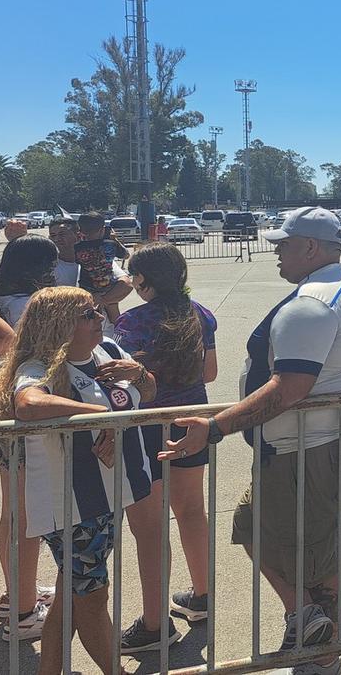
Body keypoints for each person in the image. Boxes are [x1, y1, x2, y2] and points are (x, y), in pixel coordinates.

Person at [160, 207, 341, 675]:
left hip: (312, 448)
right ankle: (306, 620)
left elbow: (289, 388)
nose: (275, 251)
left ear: (310, 247)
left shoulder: (312, 304)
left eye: (282, 244)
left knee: (318, 558)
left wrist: (214, 427)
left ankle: (321, 660)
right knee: (253, 524)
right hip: (314, 443)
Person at [0, 286, 154, 675]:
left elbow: (148, 392)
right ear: (60, 325)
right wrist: (97, 416)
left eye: (97, 311)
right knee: (92, 599)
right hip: (75, 508)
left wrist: (141, 374)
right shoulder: (40, 367)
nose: (99, 319)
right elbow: (27, 403)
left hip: (113, 493)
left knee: (70, 594)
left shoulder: (110, 350)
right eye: (88, 315)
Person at [115, 243, 218, 651]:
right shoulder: (201, 315)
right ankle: (202, 594)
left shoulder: (131, 322)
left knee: (151, 527)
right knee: (192, 511)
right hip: (192, 422)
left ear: (143, 281)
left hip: (146, 429)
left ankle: (154, 622)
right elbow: (209, 371)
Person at [0, 235, 58, 641]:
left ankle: (17, 594)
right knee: (25, 514)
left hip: (4, 403)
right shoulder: (35, 302)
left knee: (15, 509)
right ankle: (24, 612)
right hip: (28, 405)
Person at [50, 217, 132, 336]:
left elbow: (126, 285)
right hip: (70, 335)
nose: (57, 239)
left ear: (78, 235)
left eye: (62, 234)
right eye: (53, 235)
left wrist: (100, 300)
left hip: (105, 334)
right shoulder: (50, 268)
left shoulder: (98, 258)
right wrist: (90, 301)